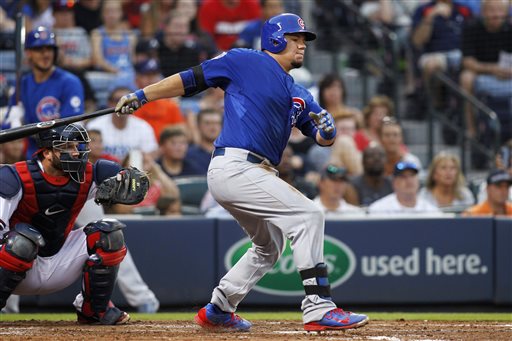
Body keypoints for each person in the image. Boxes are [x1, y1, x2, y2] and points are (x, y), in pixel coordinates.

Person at [115, 13, 369, 332]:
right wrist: (143, 95)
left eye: (304, 40)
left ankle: (220, 307)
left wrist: (328, 131)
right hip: (235, 166)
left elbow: (320, 136)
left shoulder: (299, 92)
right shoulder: (244, 60)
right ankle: (319, 305)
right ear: (275, 39)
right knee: (308, 215)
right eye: (295, 38)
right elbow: (191, 78)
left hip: (257, 172)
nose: (302, 45)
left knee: (269, 246)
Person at [0, 123, 148, 324]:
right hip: (15, 263)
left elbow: (124, 182)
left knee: (109, 234)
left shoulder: (89, 175)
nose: (76, 152)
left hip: (58, 261)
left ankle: (94, 310)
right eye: (66, 147)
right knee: (22, 241)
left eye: (77, 146)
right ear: (48, 153)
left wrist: (125, 180)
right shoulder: (15, 177)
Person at [7, 26, 84, 158]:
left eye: (49, 49)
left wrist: (27, 131)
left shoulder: (69, 82)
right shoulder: (23, 83)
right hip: (32, 154)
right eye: (39, 50)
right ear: (28, 53)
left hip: (64, 155)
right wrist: (15, 121)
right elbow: (8, 122)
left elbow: (70, 129)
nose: (46, 54)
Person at [459, 0, 512, 138]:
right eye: (491, 10)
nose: (495, 14)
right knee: (466, 77)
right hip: (481, 72)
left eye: (499, 10)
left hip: (507, 73)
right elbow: (467, 61)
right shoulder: (472, 27)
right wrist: (492, 69)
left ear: (506, 13)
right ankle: (471, 128)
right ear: (482, 12)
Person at [86, 87, 158, 162]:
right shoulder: (94, 125)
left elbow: (150, 154)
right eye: (118, 100)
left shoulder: (144, 127)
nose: (123, 105)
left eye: (128, 101)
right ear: (109, 103)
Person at [132, 58, 186, 141]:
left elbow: (182, 132)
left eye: (154, 75)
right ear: (136, 79)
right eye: (147, 75)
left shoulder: (170, 104)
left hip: (165, 149)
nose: (151, 79)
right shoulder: (131, 104)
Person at [368, 161, 441, 215]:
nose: (409, 180)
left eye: (412, 176)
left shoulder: (431, 211)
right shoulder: (379, 210)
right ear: (394, 182)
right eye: (403, 177)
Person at [186, 108, 223, 175]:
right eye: (207, 123)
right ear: (198, 126)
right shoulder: (188, 154)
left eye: (217, 123)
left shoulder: (228, 154)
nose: (213, 127)